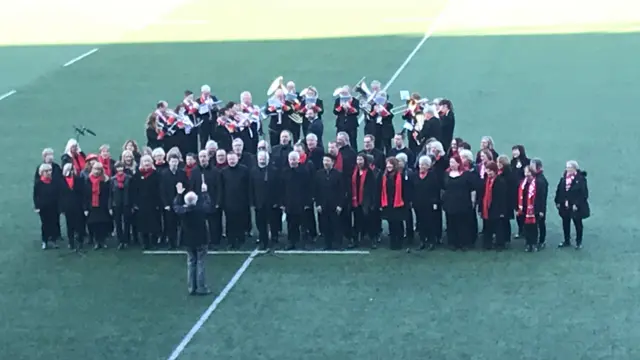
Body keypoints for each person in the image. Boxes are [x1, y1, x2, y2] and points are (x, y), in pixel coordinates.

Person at [173, 181, 213, 295]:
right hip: (201, 239)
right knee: (201, 263)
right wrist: (205, 192)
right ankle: (202, 287)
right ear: (195, 200)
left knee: (191, 262)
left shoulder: (182, 211)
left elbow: (175, 206)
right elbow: (208, 204)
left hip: (187, 240)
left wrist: (179, 194)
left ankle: (191, 287)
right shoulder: (200, 209)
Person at [280, 151, 313, 250]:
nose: (293, 161)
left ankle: (305, 242)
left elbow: (309, 188)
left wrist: (308, 202)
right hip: (289, 203)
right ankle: (291, 242)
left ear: (298, 160)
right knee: (291, 224)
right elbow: (281, 189)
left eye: (294, 159)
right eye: (291, 159)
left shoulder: (304, 171)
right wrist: (282, 203)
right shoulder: (284, 172)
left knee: (304, 224)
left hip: (302, 203)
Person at [555, 160, 590, 249]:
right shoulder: (564, 178)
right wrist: (558, 201)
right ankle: (567, 240)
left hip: (575, 206)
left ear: (574, 168)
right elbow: (559, 190)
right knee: (565, 222)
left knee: (577, 223)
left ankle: (579, 242)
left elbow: (584, 194)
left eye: (569, 167)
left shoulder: (581, 179)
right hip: (564, 205)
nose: (567, 169)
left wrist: (576, 204)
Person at [249, 150, 280, 250]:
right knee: (261, 223)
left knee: (273, 222)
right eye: (260, 158)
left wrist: (277, 201)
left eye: (264, 158)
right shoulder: (253, 171)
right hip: (259, 202)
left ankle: (274, 238)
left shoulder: (274, 170)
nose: (262, 159)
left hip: (272, 202)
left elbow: (278, 187)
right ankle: (263, 240)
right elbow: (251, 187)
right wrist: (252, 201)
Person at [313, 154, 346, 250]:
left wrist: (340, 205)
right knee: (325, 225)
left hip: (335, 205)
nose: (325, 163)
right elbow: (316, 191)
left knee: (336, 225)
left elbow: (342, 191)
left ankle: (338, 244)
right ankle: (327, 244)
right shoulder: (318, 174)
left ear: (332, 162)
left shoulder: (338, 174)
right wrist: (318, 204)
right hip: (323, 205)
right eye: (324, 161)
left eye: (327, 161)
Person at [131, 155, 162, 250]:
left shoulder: (156, 174)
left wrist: (158, 203)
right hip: (141, 204)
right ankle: (145, 243)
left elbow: (159, 190)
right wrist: (135, 203)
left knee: (154, 224)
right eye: (145, 161)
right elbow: (133, 190)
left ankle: (154, 242)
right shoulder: (137, 175)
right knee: (142, 224)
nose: (147, 163)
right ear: (141, 163)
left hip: (153, 203)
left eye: (148, 161)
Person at [411, 155, 441, 251]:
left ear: (428, 166)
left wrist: (435, 202)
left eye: (424, 165)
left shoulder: (432, 176)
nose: (422, 167)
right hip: (418, 203)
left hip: (429, 204)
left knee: (430, 223)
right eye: (420, 164)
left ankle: (432, 241)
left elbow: (436, 190)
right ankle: (422, 241)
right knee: (420, 223)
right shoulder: (414, 175)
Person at [350, 154, 379, 249]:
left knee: (369, 222)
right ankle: (356, 240)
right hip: (356, 201)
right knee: (357, 222)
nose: (359, 162)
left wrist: (372, 203)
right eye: (357, 159)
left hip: (366, 202)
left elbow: (373, 189)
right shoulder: (354, 171)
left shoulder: (369, 173)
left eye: (361, 160)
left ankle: (372, 240)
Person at [160, 155, 188, 249]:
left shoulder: (182, 173)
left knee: (183, 223)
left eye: (176, 162)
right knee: (170, 224)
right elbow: (162, 190)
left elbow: (186, 187)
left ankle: (182, 242)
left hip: (180, 203)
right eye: (172, 162)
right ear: (169, 162)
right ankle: (172, 243)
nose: (174, 164)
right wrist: (166, 204)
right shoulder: (164, 174)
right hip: (169, 204)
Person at [478, 161, 508, 250]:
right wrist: (480, 208)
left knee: (498, 227)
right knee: (487, 227)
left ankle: (500, 244)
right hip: (486, 207)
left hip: (496, 208)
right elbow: (482, 195)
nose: (488, 172)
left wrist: (502, 211)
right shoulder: (485, 180)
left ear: (495, 171)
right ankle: (487, 244)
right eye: (487, 170)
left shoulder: (500, 181)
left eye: (490, 170)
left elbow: (503, 198)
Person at [83, 162, 111, 249]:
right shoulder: (88, 180)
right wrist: (85, 208)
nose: (97, 171)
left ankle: (102, 241)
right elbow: (85, 195)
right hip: (92, 206)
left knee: (102, 224)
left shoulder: (106, 181)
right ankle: (96, 241)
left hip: (102, 206)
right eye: (95, 169)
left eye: (99, 169)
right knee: (93, 224)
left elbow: (108, 194)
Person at [380, 157, 407, 250]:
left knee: (398, 223)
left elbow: (405, 191)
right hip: (388, 204)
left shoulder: (400, 176)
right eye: (387, 164)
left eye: (390, 164)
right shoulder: (384, 176)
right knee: (391, 223)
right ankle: (392, 242)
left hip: (399, 203)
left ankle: (399, 242)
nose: (388, 166)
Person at [33, 163, 60, 250]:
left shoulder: (54, 182)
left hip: (54, 207)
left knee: (54, 223)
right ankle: (45, 241)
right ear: (41, 172)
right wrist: (37, 206)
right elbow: (35, 196)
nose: (48, 173)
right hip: (44, 208)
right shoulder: (38, 183)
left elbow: (58, 195)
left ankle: (54, 240)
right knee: (45, 224)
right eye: (46, 171)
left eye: (50, 171)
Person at [60, 163, 85, 250]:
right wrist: (61, 208)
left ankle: (80, 241)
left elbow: (83, 194)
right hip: (68, 207)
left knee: (80, 224)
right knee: (69, 225)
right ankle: (71, 242)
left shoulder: (79, 180)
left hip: (78, 206)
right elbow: (60, 196)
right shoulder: (61, 181)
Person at [110, 161, 133, 249]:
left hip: (127, 203)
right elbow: (110, 194)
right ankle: (120, 241)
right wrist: (110, 206)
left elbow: (131, 192)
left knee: (127, 223)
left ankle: (127, 240)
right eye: (118, 167)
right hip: (116, 204)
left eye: (121, 167)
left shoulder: (129, 178)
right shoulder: (112, 180)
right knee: (118, 223)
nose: (120, 169)